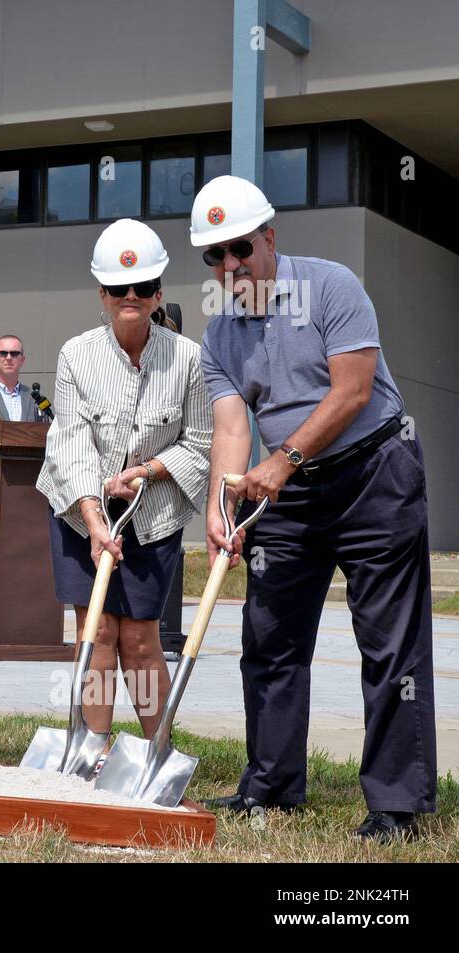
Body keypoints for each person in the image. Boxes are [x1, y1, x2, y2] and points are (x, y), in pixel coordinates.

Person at [192, 175, 435, 842]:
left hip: (374, 473)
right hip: (288, 491)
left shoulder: (332, 286)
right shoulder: (219, 337)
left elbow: (353, 392)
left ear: (269, 237)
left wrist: (285, 459)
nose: (229, 265)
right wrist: (222, 506)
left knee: (388, 642)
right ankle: (270, 785)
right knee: (268, 634)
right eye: (213, 255)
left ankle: (398, 804)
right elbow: (232, 429)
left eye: (239, 247)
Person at [37, 218, 211, 747]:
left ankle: (158, 749)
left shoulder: (188, 359)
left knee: (140, 637)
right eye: (118, 288)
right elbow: (69, 443)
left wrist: (148, 472)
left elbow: (199, 443)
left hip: (152, 516)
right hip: (79, 512)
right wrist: (93, 517)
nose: (129, 296)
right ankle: (94, 747)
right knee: (97, 632)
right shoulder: (76, 355)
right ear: (103, 295)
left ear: (159, 293)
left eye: (141, 288)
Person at [0, 334, 48, 423]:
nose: (8, 358)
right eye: (3, 353)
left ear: (22, 360)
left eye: (14, 353)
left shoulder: (34, 398)